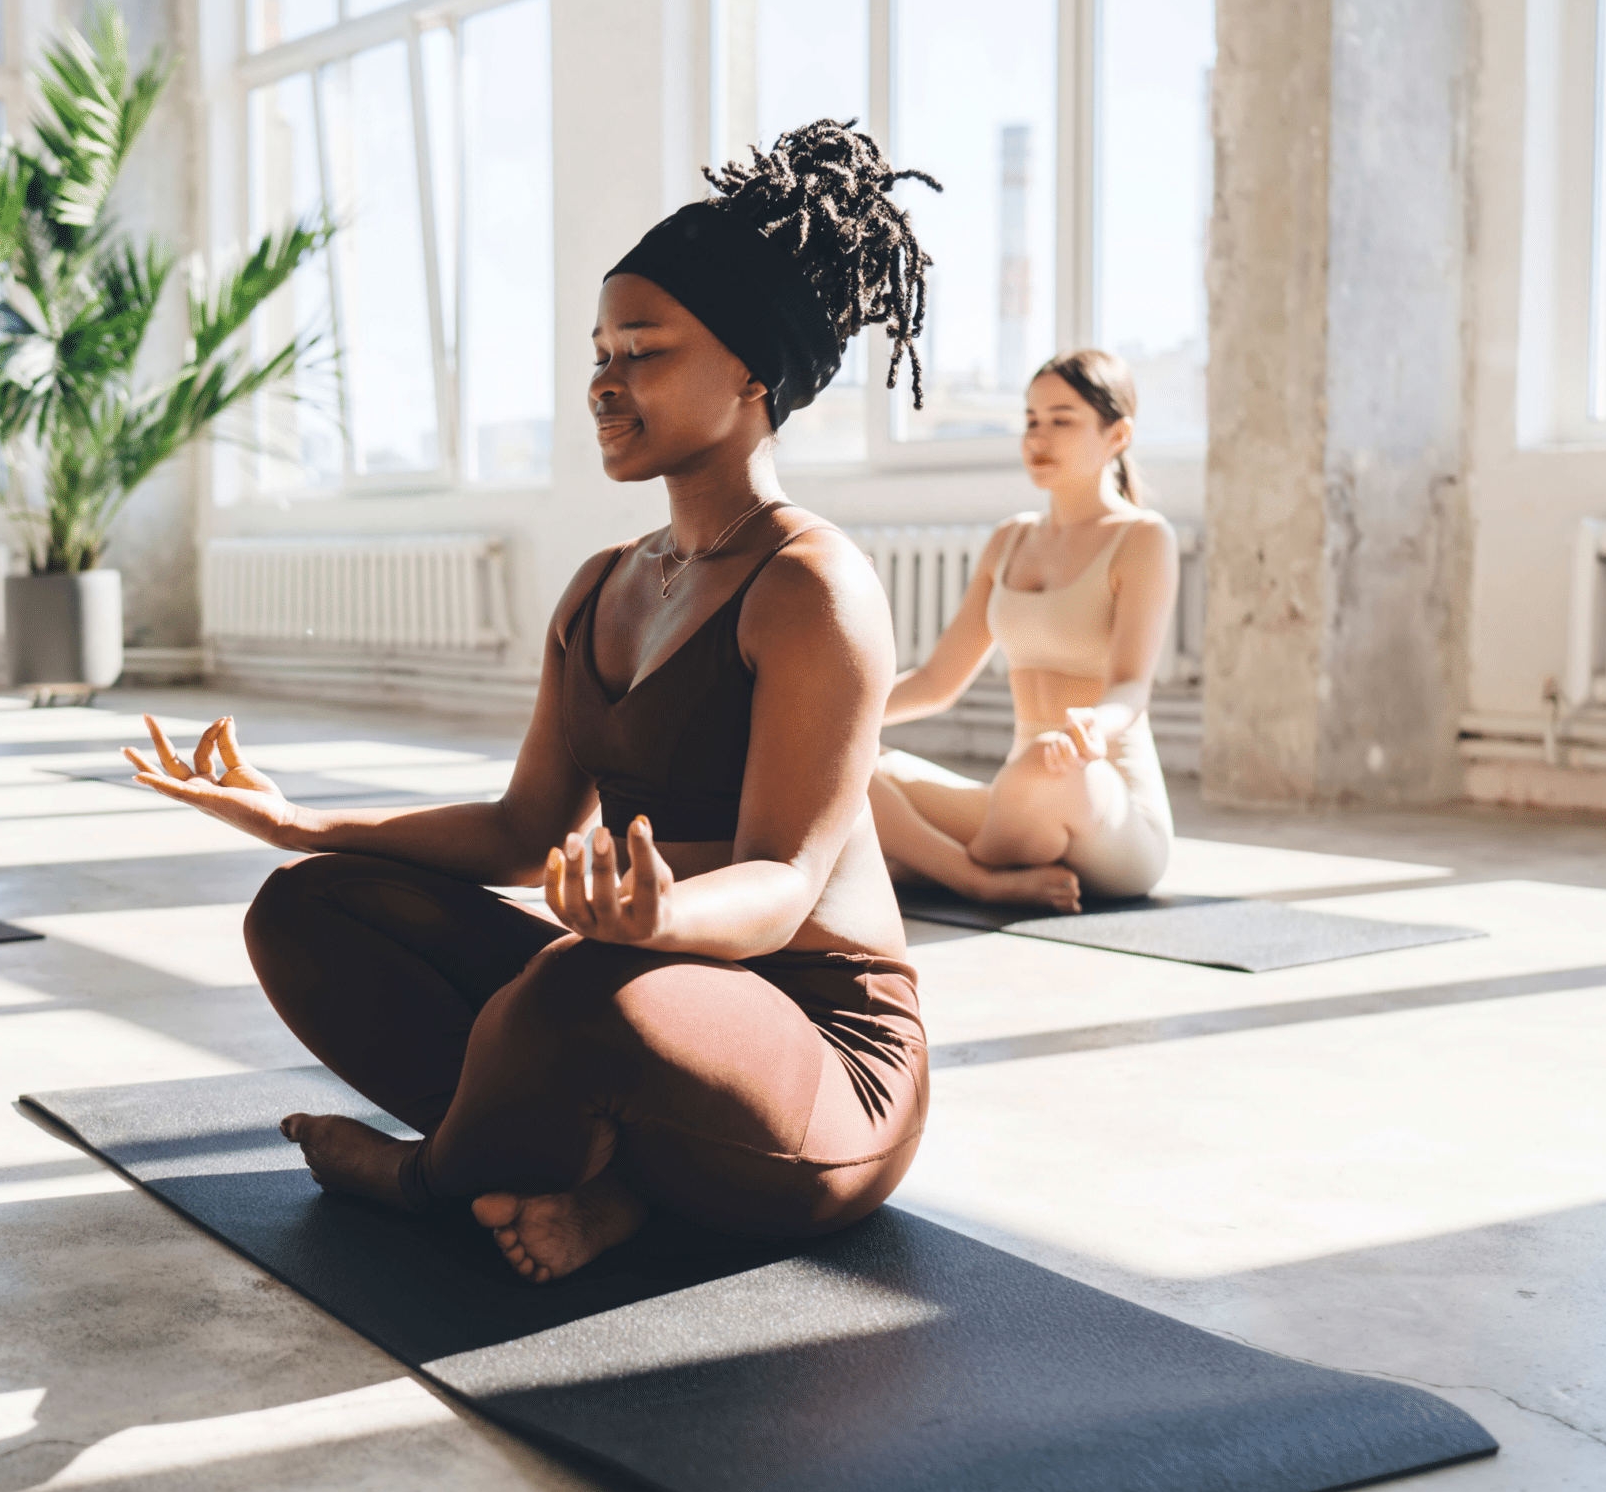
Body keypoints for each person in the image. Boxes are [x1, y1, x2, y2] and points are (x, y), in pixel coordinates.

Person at [127, 120, 939, 1284]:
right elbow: (522, 834)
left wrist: (653, 929)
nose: (605, 382)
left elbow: (782, 885)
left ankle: (425, 1179)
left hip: (820, 1070)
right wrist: (301, 822)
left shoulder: (812, 587)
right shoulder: (602, 586)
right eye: (599, 351)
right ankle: (609, 1188)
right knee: (307, 909)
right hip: (644, 996)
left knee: (571, 991)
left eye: (642, 352)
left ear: (752, 373)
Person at [867, 350, 1179, 914]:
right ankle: (978, 874)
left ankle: (933, 867)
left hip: (1104, 802)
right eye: (1031, 420)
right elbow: (939, 682)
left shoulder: (1143, 539)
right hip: (1017, 800)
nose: (1039, 436)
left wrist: (1092, 728)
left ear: (1118, 434)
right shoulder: (1009, 540)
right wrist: (831, 721)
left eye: (1063, 420)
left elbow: (1132, 685)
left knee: (1039, 765)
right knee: (854, 769)